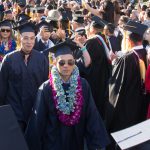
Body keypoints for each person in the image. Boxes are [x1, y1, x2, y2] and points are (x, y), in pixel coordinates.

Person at [25, 40, 110, 150]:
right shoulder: (46, 88)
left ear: (74, 63)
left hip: (76, 140)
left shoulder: (83, 85)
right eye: (62, 62)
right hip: (53, 142)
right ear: (55, 63)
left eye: (70, 62)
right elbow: (38, 121)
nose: (66, 66)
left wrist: (97, 143)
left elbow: (91, 114)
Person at [105, 21, 149, 150]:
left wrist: (114, 63)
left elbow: (115, 88)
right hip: (143, 107)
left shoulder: (126, 59)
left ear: (129, 41)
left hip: (126, 110)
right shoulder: (147, 55)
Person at [0, 21, 49, 132]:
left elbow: (45, 85)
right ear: (19, 38)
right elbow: (2, 87)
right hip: (14, 111)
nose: (29, 42)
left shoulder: (41, 59)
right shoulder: (9, 59)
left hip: (35, 110)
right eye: (25, 38)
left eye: (32, 38)